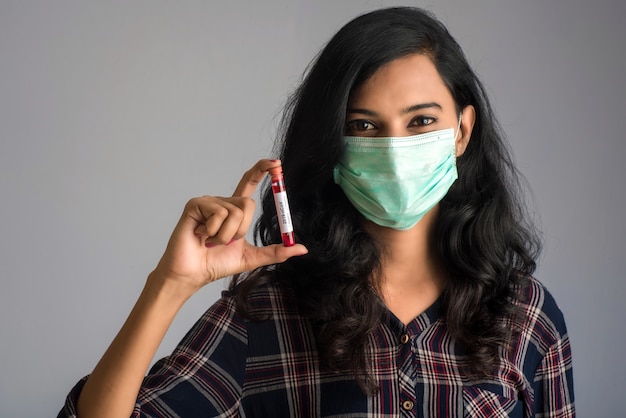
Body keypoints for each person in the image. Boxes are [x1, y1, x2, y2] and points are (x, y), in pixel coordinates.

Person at [59, 7, 574, 417]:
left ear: (462, 131)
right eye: (365, 127)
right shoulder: (266, 316)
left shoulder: (527, 318)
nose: (395, 150)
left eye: (420, 121)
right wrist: (169, 283)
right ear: (334, 143)